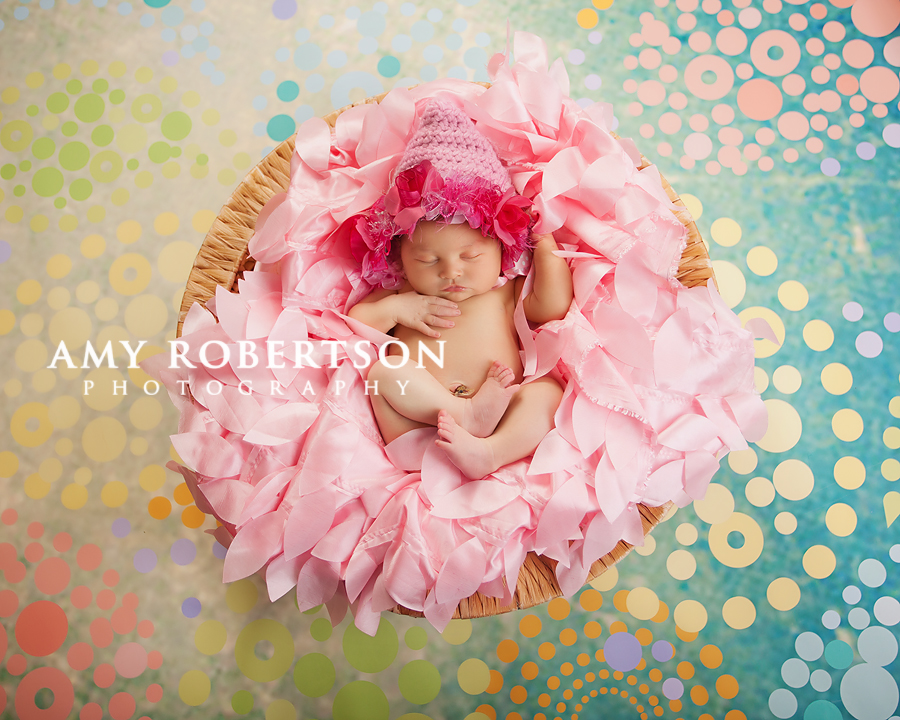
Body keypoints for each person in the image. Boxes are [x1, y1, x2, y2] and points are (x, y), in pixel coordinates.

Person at [347, 99, 573, 479]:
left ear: (503, 246)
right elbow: (358, 320)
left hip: (499, 421)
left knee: (549, 392)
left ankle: (491, 453)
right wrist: (398, 310)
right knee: (385, 373)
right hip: (416, 432)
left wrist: (546, 244)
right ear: (400, 258)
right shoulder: (404, 293)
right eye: (428, 261)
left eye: (469, 257)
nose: (451, 272)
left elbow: (551, 307)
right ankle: (466, 415)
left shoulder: (503, 291)